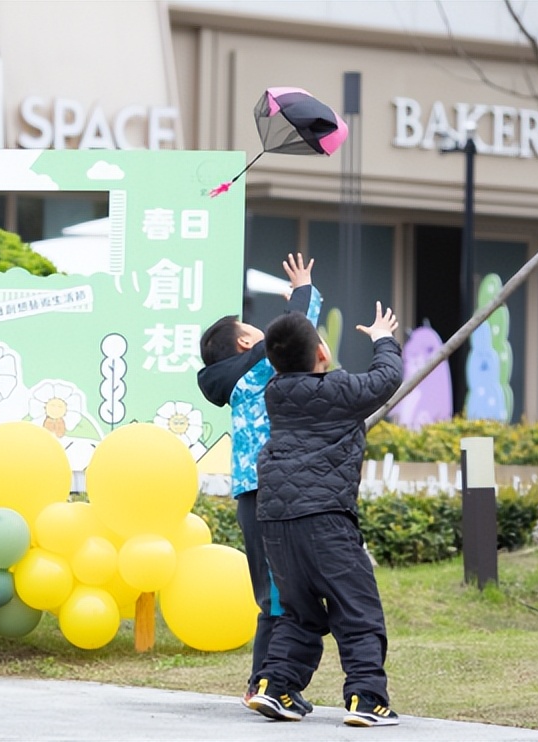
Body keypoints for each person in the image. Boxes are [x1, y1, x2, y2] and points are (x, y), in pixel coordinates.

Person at [250, 301, 402, 727]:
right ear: (321, 352)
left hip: (276, 519)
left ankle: (274, 686)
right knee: (357, 608)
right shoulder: (339, 391)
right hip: (326, 517)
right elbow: (387, 377)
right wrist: (383, 338)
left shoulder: (275, 393)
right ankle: (367, 699)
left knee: (300, 611)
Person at [196, 253, 322, 710]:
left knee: (275, 588)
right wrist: (304, 290)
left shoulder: (241, 379)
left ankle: (268, 682)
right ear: (247, 340)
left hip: (256, 491)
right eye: (252, 329)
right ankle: (265, 683)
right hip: (275, 488)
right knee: (278, 590)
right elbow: (298, 333)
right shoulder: (255, 368)